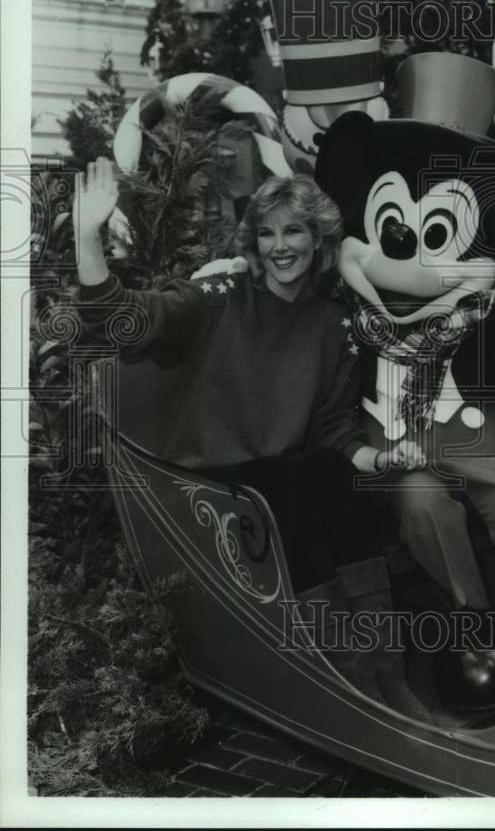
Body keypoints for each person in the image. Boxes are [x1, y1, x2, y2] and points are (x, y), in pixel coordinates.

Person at [74, 158, 430, 719]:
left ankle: (386, 671)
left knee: (329, 474)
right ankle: (343, 677)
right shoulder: (218, 295)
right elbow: (125, 322)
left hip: (279, 481)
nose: (279, 246)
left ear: (319, 239)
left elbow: (332, 427)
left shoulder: (331, 322)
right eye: (267, 233)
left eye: (293, 231)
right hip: (204, 480)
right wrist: (88, 239)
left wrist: (378, 456)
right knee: (298, 476)